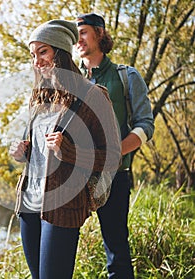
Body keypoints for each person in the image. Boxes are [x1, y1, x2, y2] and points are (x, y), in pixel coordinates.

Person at [9, 19, 121, 279]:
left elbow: (112, 157)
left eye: (43, 52)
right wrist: (22, 152)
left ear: (59, 51)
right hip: (29, 204)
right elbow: (37, 151)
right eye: (33, 54)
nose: (37, 61)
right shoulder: (39, 98)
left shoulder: (93, 96)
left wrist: (69, 152)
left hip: (62, 204)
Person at [75, 13, 155, 278]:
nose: (79, 38)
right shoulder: (70, 80)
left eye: (84, 31)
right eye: (77, 33)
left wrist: (114, 153)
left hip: (114, 176)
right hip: (73, 177)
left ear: (100, 33)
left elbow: (145, 126)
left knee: (116, 251)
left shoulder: (127, 76)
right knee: (60, 247)